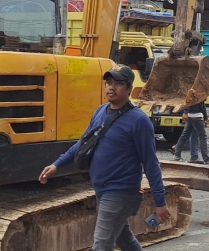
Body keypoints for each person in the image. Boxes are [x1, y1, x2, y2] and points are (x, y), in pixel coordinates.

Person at [38, 65, 170, 251]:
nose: (111, 87)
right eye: (109, 82)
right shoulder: (100, 112)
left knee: (101, 244)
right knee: (124, 239)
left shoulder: (139, 121)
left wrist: (160, 202)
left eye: (118, 83)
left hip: (120, 192)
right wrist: (57, 164)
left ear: (129, 89)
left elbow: (151, 163)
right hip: (102, 189)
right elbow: (83, 144)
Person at [172, 102, 209, 166]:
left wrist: (205, 116)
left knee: (185, 136)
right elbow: (188, 100)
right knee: (203, 137)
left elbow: (201, 103)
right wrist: (185, 112)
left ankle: (177, 156)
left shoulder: (200, 93)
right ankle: (206, 160)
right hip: (197, 116)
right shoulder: (198, 92)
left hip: (191, 116)